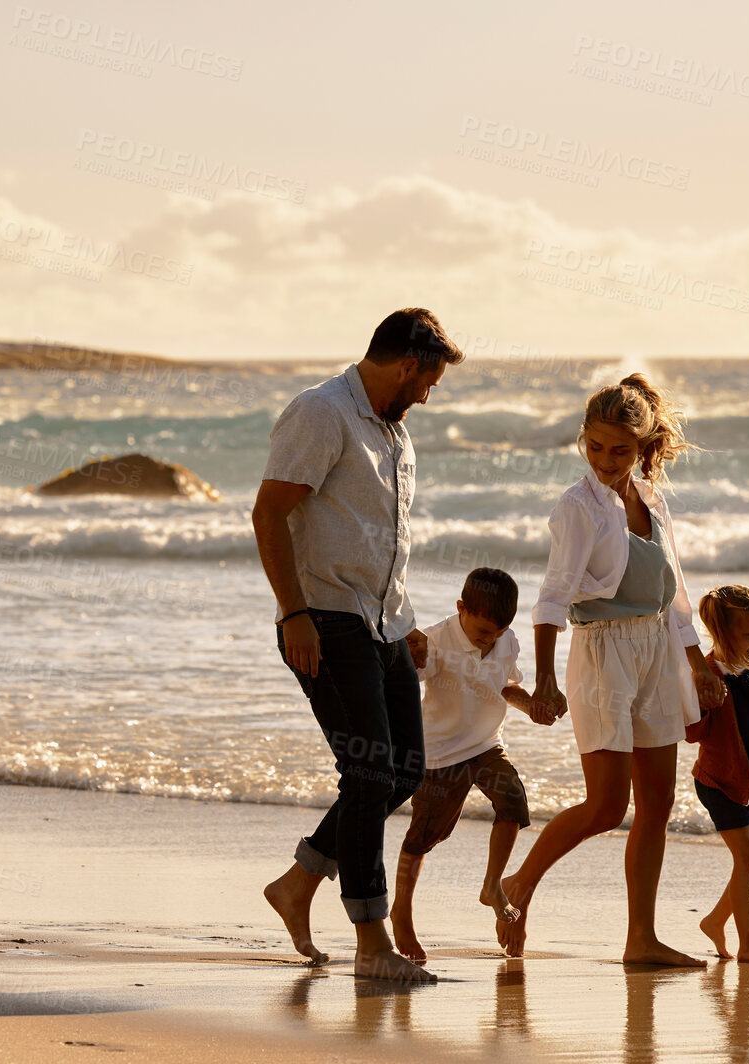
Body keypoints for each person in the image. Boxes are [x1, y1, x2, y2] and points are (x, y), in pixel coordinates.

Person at [252, 307, 463, 983]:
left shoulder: (395, 434)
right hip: (325, 617)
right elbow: (268, 512)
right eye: (428, 381)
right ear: (407, 366)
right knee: (369, 774)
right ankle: (372, 944)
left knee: (401, 771)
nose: (428, 395)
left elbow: (380, 536)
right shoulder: (321, 414)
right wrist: (294, 614)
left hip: (384, 624)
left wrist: (406, 625)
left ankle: (297, 882)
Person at [498, 374, 727, 966]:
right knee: (605, 807)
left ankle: (640, 939)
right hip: (602, 652)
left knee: (657, 803)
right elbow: (552, 598)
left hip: (656, 649)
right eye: (594, 447)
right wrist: (545, 677)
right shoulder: (578, 508)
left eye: (619, 450)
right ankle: (518, 884)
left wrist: (698, 662)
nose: (604, 460)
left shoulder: (652, 499)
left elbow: (672, 594)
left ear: (645, 445)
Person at [390, 567, 555, 964]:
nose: (490, 639)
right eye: (483, 632)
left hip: (486, 744)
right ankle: (401, 910)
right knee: (423, 838)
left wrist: (530, 703)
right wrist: (407, 649)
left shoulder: (506, 641)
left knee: (513, 801)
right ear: (461, 608)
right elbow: (413, 671)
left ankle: (492, 885)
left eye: (497, 633)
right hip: (441, 754)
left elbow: (505, 686)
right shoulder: (435, 641)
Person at [686, 584, 749, 965]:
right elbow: (691, 733)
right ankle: (748, 944)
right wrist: (700, 702)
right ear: (723, 632)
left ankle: (714, 920)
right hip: (718, 779)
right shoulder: (709, 673)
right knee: (746, 858)